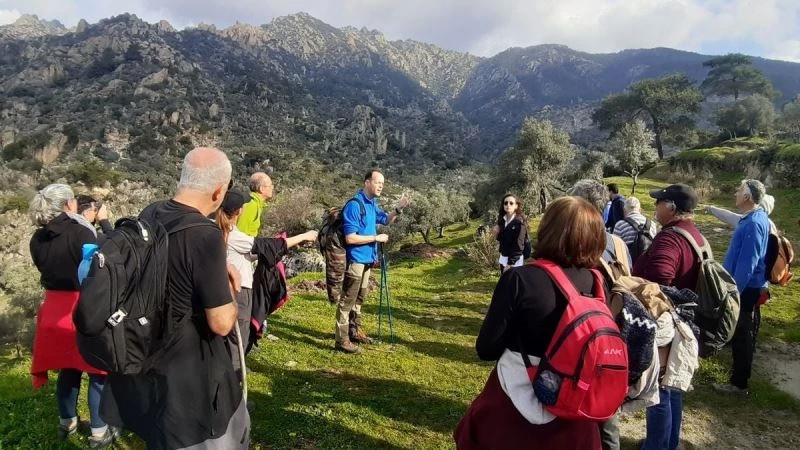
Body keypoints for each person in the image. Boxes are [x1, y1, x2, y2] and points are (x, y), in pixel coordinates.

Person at [100, 147, 249, 449]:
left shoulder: (149, 213)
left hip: (146, 355)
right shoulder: (205, 235)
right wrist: (231, 288)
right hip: (188, 372)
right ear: (219, 191)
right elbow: (220, 323)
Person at [454, 196, 608, 449]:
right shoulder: (599, 283)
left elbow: (487, 349)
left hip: (513, 409)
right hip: (576, 411)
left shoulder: (520, 279)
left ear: (547, 230)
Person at [28, 184, 118, 448]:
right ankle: (99, 432)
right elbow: (101, 265)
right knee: (97, 370)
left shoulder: (37, 238)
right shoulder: (81, 232)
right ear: (69, 205)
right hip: (82, 307)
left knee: (68, 369)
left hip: (53, 309)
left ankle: (67, 421)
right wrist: (104, 222)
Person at [216, 190, 318, 377]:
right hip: (239, 293)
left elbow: (253, 252)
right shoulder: (231, 234)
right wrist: (303, 236)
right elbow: (267, 246)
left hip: (227, 291)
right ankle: (233, 398)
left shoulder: (222, 230)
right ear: (239, 211)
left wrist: (289, 244)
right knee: (238, 342)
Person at [632, 183, 703, 450]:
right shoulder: (693, 234)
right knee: (671, 385)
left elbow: (660, 277)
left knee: (658, 390)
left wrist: (638, 288)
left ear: (672, 208)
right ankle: (668, 444)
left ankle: (657, 447)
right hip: (682, 321)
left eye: (660, 202)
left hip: (665, 321)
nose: (655, 206)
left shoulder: (670, 237)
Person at [567, 179, 631, 450]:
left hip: (581, 337)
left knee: (573, 408)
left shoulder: (573, 245)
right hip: (612, 336)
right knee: (607, 412)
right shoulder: (617, 243)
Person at [335, 170, 410, 354]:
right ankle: (342, 340)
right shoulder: (355, 205)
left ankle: (354, 331)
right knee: (347, 300)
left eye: (382, 184)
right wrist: (376, 238)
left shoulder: (371, 203)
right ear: (367, 182)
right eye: (378, 183)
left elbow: (385, 219)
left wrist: (398, 209)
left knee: (359, 299)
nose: (380, 187)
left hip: (367, 260)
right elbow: (351, 238)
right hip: (356, 261)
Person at [713, 180, 771, 395]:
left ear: (747, 197)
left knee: (741, 333)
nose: (735, 193)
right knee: (742, 332)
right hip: (747, 287)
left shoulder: (754, 223)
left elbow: (749, 262)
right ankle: (738, 378)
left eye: (739, 191)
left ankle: (738, 383)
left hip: (745, 289)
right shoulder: (754, 218)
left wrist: (733, 292)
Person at [612, 196, 657, 263]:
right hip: (647, 263)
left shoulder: (620, 224)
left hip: (628, 263)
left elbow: (615, 247)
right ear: (640, 210)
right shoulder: (652, 224)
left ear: (624, 210)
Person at [492, 194, 528, 275]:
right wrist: (496, 234)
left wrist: (510, 264)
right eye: (506, 203)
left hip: (514, 262)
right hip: (503, 258)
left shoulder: (519, 223)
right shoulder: (502, 220)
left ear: (516, 205)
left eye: (511, 203)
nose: (508, 205)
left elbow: (519, 246)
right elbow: (502, 239)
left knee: (513, 285)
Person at [704, 194, 777, 233]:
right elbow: (729, 216)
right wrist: (711, 208)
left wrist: (710, 209)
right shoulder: (769, 223)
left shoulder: (752, 222)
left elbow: (730, 217)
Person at [237, 172, 274, 237]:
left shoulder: (258, 203)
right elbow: (240, 232)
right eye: (270, 185)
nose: (272, 188)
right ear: (261, 189)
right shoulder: (252, 205)